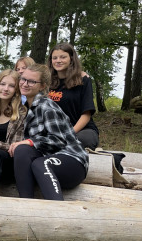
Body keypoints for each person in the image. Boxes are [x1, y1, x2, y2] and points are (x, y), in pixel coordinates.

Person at [9, 64, 89, 200]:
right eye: (23, 79)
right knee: (22, 150)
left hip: (72, 160)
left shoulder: (47, 106)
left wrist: (30, 141)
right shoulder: (24, 109)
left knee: (40, 163)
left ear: (42, 86)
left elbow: (58, 141)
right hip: (47, 158)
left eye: (32, 81)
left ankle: (57, 210)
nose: (25, 84)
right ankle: (25, 202)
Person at [47, 43, 99, 149]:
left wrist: (69, 134)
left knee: (82, 140)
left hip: (80, 130)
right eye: (54, 58)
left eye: (63, 57)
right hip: (54, 131)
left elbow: (86, 114)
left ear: (71, 59)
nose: (58, 61)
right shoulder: (46, 82)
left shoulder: (83, 80)